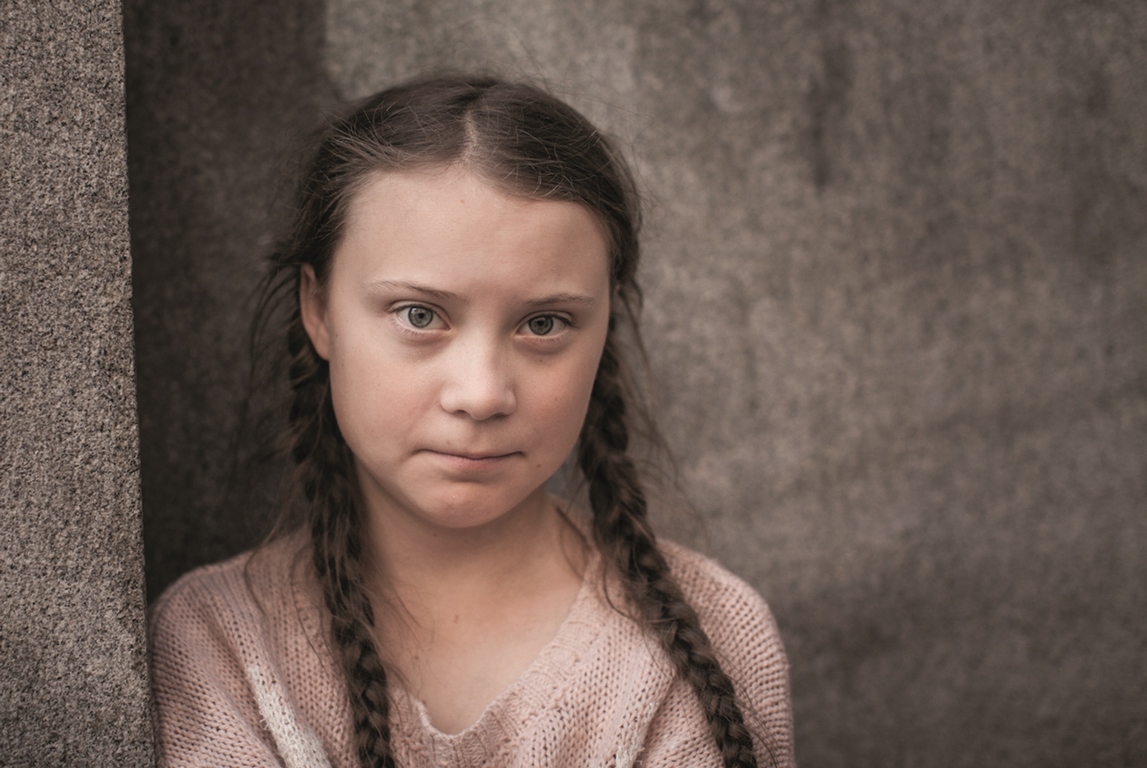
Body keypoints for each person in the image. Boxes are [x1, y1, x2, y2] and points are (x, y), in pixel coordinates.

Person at [148, 74, 795, 768]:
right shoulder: (219, 642)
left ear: (604, 324)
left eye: (543, 324)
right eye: (419, 315)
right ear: (319, 309)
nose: (482, 394)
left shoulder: (710, 638)